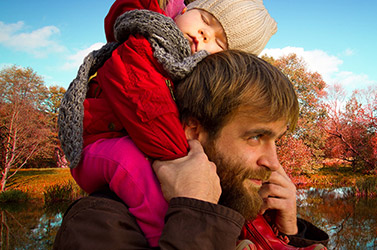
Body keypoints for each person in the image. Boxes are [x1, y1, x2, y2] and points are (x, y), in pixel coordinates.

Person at [54, 50, 329, 249]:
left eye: (276, 140)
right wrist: (197, 214)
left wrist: (289, 233)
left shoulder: (237, 203)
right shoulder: (97, 222)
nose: (273, 162)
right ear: (194, 131)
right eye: (256, 136)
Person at [57, 0, 277, 246]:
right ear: (183, 10)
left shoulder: (181, 67)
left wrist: (285, 227)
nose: (204, 36)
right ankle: (158, 236)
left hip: (131, 142)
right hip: (101, 144)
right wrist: (182, 160)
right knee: (135, 167)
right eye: (205, 20)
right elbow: (149, 109)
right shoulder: (146, 44)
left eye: (219, 42)